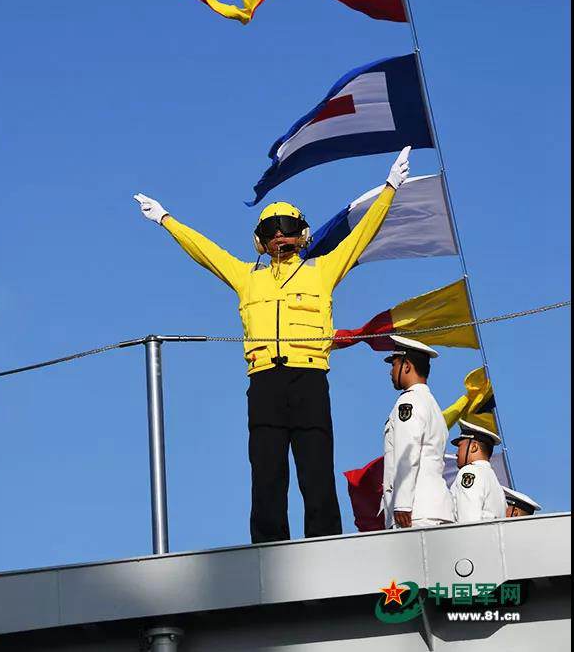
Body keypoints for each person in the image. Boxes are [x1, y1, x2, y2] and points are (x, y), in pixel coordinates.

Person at [134, 147, 411, 544]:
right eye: (270, 230)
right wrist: (165, 219)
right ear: (261, 240)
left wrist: (390, 188)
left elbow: (362, 235)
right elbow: (205, 251)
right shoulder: (248, 278)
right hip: (264, 382)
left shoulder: (323, 270)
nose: (279, 235)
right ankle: (267, 549)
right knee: (266, 473)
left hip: (310, 379)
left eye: (286, 227)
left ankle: (325, 544)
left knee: (315, 469)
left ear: (302, 233)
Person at [382, 335, 454, 529]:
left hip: (415, 511)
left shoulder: (409, 402)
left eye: (394, 364)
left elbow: (408, 452)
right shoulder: (431, 403)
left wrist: (403, 503)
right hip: (432, 510)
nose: (391, 371)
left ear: (407, 366)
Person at [450, 420, 507, 523]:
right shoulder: (495, 482)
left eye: (460, 446)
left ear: (474, 447)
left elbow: (468, 522)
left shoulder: (470, 472)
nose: (456, 454)